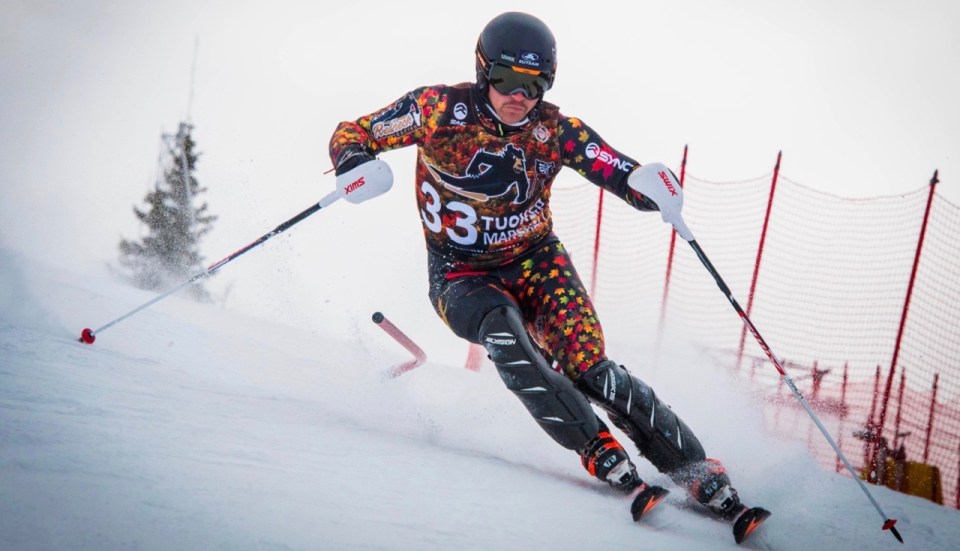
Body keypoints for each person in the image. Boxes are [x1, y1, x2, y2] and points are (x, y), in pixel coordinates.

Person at [329, 11, 752, 525]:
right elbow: (355, 132)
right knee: (504, 332)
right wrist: (354, 163)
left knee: (589, 366)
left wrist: (651, 189)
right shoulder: (437, 110)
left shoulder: (554, 130)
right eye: (506, 79)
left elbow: (617, 169)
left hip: (536, 261)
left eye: (533, 85)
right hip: (460, 274)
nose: (519, 96)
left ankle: (695, 468)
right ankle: (596, 447)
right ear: (484, 71)